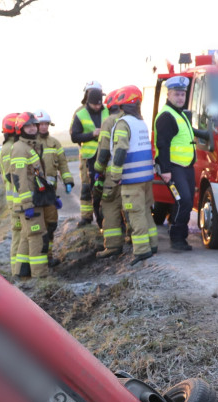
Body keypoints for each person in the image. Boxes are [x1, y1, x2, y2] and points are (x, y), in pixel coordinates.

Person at [105, 85, 157, 265]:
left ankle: (142, 251)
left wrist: (115, 173)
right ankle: (153, 244)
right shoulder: (140, 122)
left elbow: (120, 150)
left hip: (131, 178)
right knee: (145, 212)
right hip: (146, 177)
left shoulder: (123, 123)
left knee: (135, 214)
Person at [153, 74, 205, 252]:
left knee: (185, 202)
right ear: (168, 95)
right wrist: (165, 170)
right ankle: (176, 239)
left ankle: (180, 238)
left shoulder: (179, 113)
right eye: (176, 94)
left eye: (182, 94)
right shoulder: (167, 116)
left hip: (185, 168)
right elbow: (163, 145)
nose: (180, 97)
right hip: (174, 168)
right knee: (183, 200)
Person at [8, 112, 51, 278]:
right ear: (20, 129)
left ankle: (21, 274)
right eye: (28, 126)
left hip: (34, 201)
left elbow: (36, 176)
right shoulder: (20, 149)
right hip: (28, 203)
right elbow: (20, 178)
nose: (33, 128)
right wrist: (27, 204)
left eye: (34, 125)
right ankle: (40, 275)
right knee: (36, 236)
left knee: (27, 237)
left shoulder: (31, 146)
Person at [33, 109, 74, 266]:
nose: (43, 127)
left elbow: (63, 164)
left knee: (51, 224)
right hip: (35, 193)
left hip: (50, 192)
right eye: (40, 124)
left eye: (46, 124)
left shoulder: (54, 143)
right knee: (38, 226)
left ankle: (48, 256)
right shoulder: (29, 144)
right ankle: (38, 259)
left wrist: (68, 180)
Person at [69, 81, 109, 227]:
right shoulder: (80, 113)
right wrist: (92, 134)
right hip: (88, 157)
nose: (97, 106)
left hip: (107, 155)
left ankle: (107, 218)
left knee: (108, 187)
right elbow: (74, 135)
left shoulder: (107, 110)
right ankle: (87, 217)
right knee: (88, 188)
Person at [93, 90, 125, 257]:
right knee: (130, 206)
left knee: (110, 206)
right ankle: (135, 240)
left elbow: (104, 150)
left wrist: (98, 170)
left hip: (113, 172)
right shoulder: (133, 120)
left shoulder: (109, 121)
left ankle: (113, 246)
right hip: (132, 173)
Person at [0, 112, 26, 277]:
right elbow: (14, 175)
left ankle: (18, 269)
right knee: (19, 235)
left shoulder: (8, 147)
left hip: (15, 199)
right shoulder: (11, 149)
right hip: (16, 200)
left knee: (20, 233)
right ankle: (17, 271)